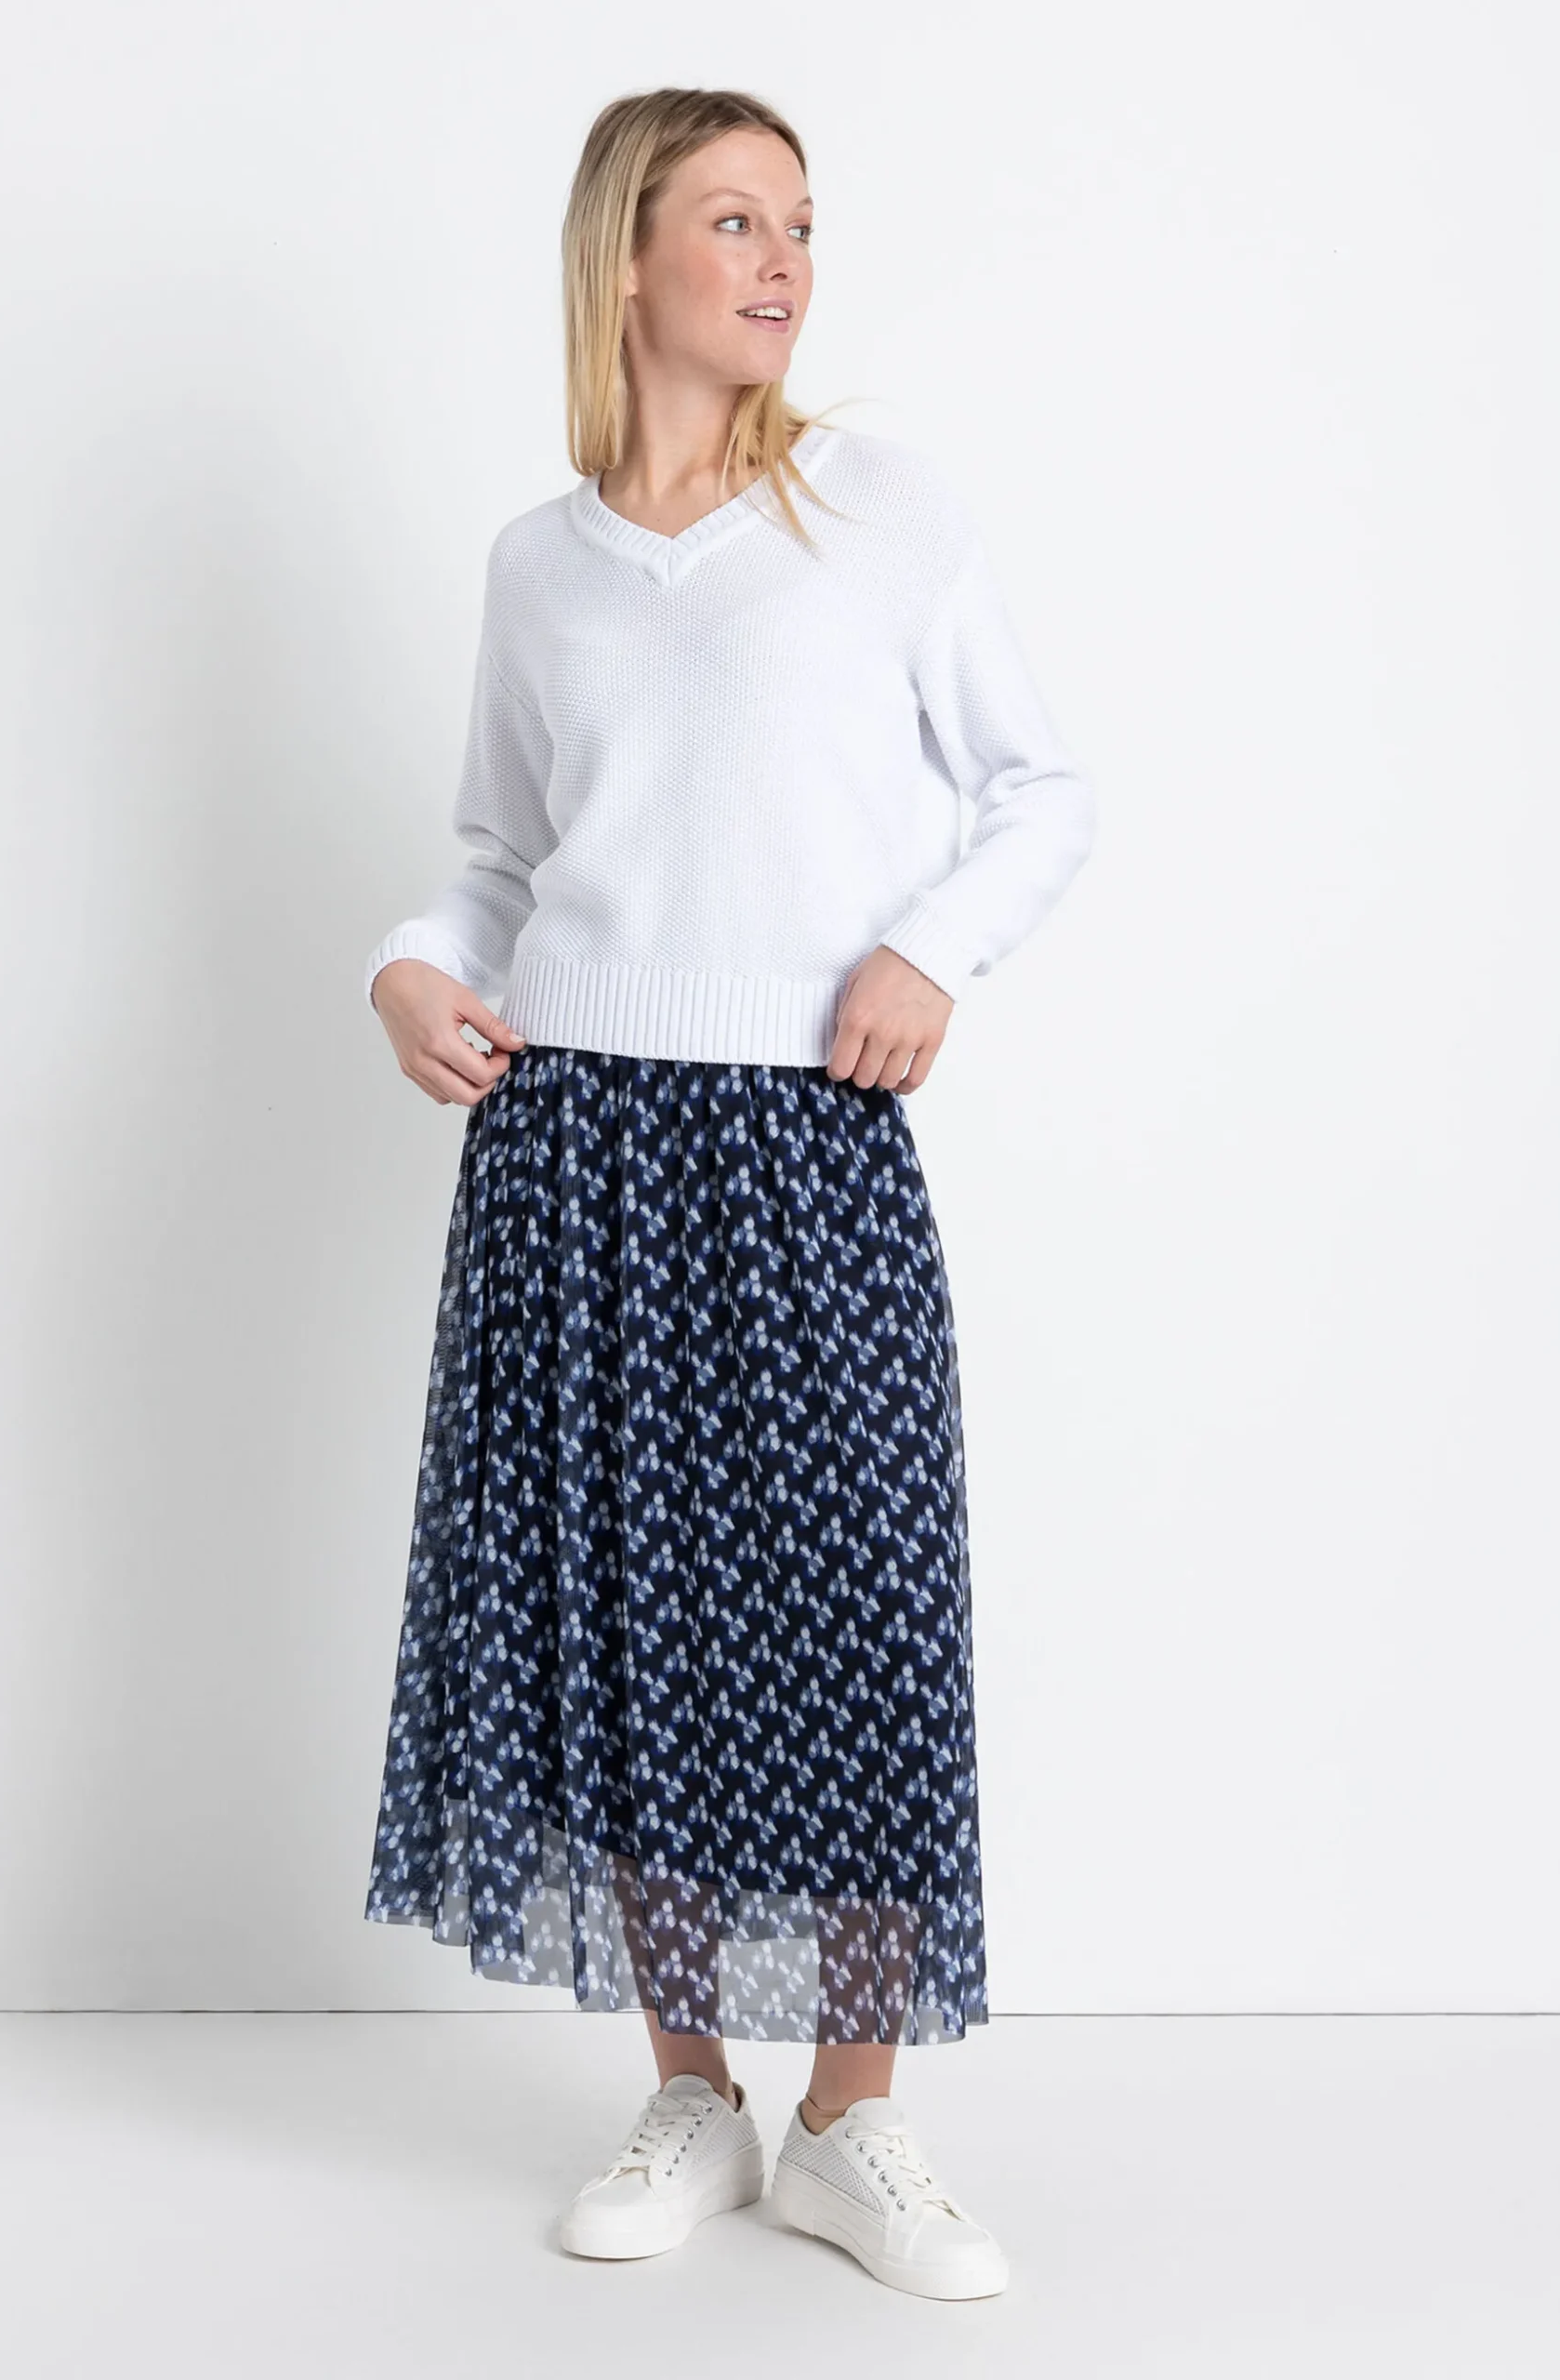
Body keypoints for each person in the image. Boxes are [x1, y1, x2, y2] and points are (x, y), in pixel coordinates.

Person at [360, 86, 1095, 2302]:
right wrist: (405, 966)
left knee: (859, 1607)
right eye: (735, 221)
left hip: (803, 1127)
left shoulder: (875, 512)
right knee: (636, 1626)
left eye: (800, 224)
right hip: (574, 1143)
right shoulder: (539, 564)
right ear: (627, 260)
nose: (784, 262)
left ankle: (851, 2114)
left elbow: (1038, 787)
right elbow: (499, 859)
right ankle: (691, 2081)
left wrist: (928, 950)